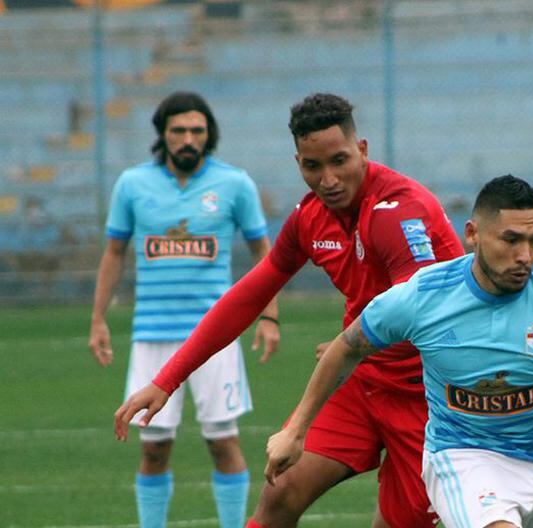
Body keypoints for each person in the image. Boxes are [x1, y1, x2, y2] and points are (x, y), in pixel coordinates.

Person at [114, 93, 465, 527]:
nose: (328, 179)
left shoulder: (397, 212)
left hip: (429, 398)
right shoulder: (310, 217)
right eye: (312, 167)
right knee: (280, 492)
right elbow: (246, 297)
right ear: (298, 161)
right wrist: (168, 379)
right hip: (363, 383)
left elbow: (419, 310)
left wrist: (350, 344)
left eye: (339, 160)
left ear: (363, 150)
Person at [264, 175, 533, 527]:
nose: (525, 255)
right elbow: (347, 347)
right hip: (463, 454)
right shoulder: (425, 296)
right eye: (511, 240)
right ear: (473, 234)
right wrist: (296, 430)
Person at [90, 91, 281, 528]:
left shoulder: (235, 184)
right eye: (179, 131)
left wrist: (268, 316)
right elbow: (114, 251)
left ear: (208, 134)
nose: (188, 138)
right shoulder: (132, 184)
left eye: (197, 130)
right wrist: (98, 318)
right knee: (153, 447)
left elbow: (266, 255)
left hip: (215, 337)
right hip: (152, 334)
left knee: (222, 442)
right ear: (163, 135)